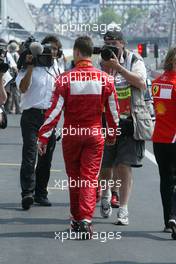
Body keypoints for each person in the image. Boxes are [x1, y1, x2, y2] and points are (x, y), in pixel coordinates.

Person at [37, 36, 119, 239]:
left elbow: (54, 111)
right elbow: (113, 112)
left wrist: (44, 137)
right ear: (91, 54)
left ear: (76, 52)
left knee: (74, 179)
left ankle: (75, 219)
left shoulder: (64, 79)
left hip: (72, 135)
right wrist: (112, 133)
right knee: (90, 178)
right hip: (94, 134)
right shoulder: (105, 79)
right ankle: (85, 220)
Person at [99, 29, 147, 225]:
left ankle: (124, 209)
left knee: (123, 166)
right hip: (106, 120)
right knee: (106, 166)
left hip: (129, 120)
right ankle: (105, 195)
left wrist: (118, 68)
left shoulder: (135, 60)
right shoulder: (101, 62)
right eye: (107, 44)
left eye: (114, 45)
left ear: (122, 44)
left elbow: (141, 84)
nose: (110, 48)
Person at [16, 35, 63, 210]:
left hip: (49, 118)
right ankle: (27, 193)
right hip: (31, 116)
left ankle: (40, 193)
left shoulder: (57, 69)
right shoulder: (29, 64)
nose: (52, 53)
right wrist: (30, 67)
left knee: (46, 158)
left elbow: (62, 93)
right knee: (30, 154)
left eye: (56, 50)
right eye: (50, 50)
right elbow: (22, 88)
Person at [152, 47, 176, 239]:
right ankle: (174, 216)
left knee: (166, 179)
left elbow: (158, 108)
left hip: (160, 138)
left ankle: (167, 219)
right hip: (174, 137)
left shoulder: (157, 83)